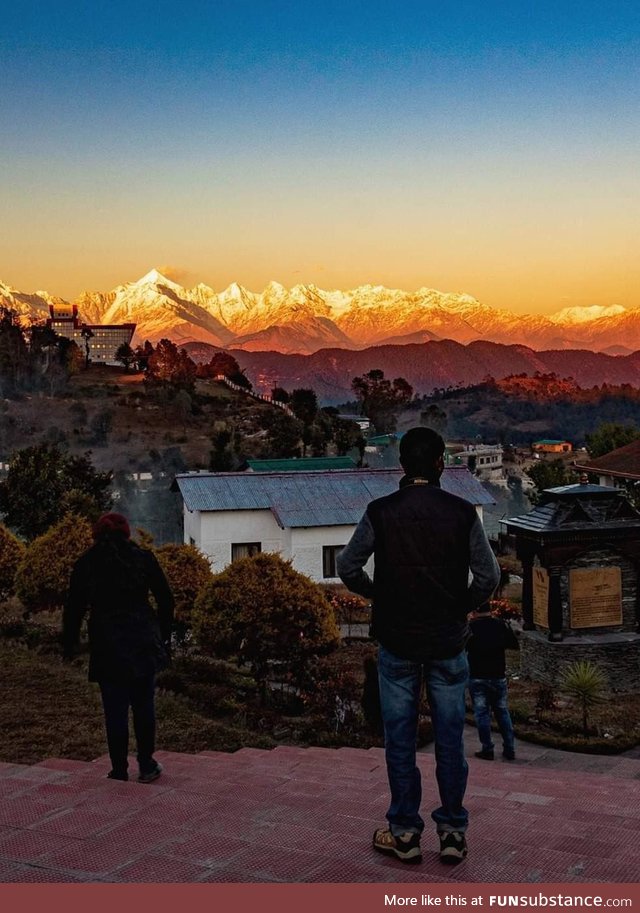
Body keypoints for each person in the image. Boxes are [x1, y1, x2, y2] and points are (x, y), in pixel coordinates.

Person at [337, 427, 500, 865]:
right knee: (450, 741)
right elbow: (489, 578)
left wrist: (377, 595)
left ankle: (405, 834)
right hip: (448, 644)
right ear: (441, 464)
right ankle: (452, 833)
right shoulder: (463, 513)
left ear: (404, 467)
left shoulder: (380, 511)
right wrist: (460, 605)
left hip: (398, 643)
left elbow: (347, 564)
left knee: (400, 741)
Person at [62, 513, 174, 783]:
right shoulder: (143, 558)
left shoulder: (87, 563)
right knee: (144, 706)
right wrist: (164, 636)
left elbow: (74, 608)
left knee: (115, 711)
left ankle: (119, 770)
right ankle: (146, 764)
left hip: (107, 643)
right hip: (142, 640)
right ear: (126, 533)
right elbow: (166, 600)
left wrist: (70, 644)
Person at [467, 603, 519, 761]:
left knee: (482, 714)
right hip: (498, 675)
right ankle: (509, 748)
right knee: (502, 711)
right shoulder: (500, 624)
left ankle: (487, 748)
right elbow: (513, 644)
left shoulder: (471, 627)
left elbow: (462, 647)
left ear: (475, 610)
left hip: (478, 676)